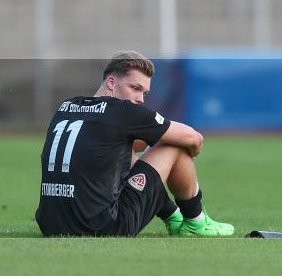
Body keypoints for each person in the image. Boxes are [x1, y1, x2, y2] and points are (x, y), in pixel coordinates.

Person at [35, 51, 235, 237]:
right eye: (135, 88)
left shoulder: (67, 106)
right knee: (175, 144)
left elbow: (111, 144)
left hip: (51, 225)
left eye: (145, 93)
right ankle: (196, 223)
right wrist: (191, 152)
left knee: (127, 148)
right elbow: (194, 138)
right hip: (103, 227)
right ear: (111, 82)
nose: (140, 99)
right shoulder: (124, 111)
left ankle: (174, 216)